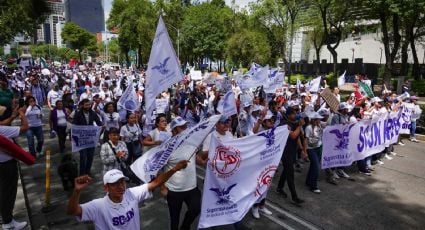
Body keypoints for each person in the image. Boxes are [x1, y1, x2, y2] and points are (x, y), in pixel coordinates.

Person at [67, 161, 188, 229]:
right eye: (114, 184)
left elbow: (155, 183)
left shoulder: (131, 194)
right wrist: (77, 191)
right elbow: (73, 211)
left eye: (122, 182)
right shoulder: (98, 206)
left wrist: (174, 169)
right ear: (106, 188)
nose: (120, 186)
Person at [161, 116, 201, 230]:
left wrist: (203, 161)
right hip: (174, 190)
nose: (185, 129)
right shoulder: (166, 147)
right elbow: (158, 168)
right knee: (174, 220)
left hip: (192, 187)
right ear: (173, 131)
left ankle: (185, 227)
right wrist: (163, 186)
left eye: (185, 126)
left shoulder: (192, 142)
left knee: (195, 209)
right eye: (181, 127)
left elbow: (195, 156)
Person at [0, 107, 29, 230]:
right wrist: (22, 114)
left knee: (3, 191)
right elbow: (24, 127)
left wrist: (13, 115)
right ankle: (8, 222)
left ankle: (5, 217)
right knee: (8, 193)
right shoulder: (2, 130)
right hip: (6, 165)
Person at [276, 107, 305, 205]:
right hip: (285, 152)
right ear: (288, 115)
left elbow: (297, 138)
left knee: (286, 170)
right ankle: (294, 197)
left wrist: (301, 150)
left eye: (295, 113)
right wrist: (300, 126)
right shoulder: (284, 124)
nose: (295, 115)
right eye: (293, 113)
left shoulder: (294, 124)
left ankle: (279, 188)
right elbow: (292, 135)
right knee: (290, 175)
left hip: (292, 151)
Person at [252, 111, 274, 218]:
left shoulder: (274, 131)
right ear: (264, 122)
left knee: (266, 185)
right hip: (259, 163)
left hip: (269, 163)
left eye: (272, 120)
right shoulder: (260, 130)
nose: (271, 122)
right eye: (269, 120)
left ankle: (262, 206)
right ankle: (255, 207)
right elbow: (253, 131)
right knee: (258, 185)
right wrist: (259, 120)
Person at [72, 99, 103, 175]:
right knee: (83, 156)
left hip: (91, 139)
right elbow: (74, 126)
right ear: (82, 105)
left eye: (89, 105)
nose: (88, 106)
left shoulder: (93, 113)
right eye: (86, 105)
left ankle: (88, 172)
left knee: (90, 156)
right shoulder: (78, 114)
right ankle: (82, 174)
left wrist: (102, 126)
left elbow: (98, 123)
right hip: (81, 139)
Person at [305, 112, 324, 193]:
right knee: (316, 166)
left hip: (319, 147)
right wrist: (304, 151)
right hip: (311, 149)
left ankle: (308, 181)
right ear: (314, 120)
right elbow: (305, 140)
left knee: (313, 165)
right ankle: (313, 186)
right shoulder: (308, 128)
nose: (319, 120)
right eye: (318, 119)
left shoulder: (320, 125)